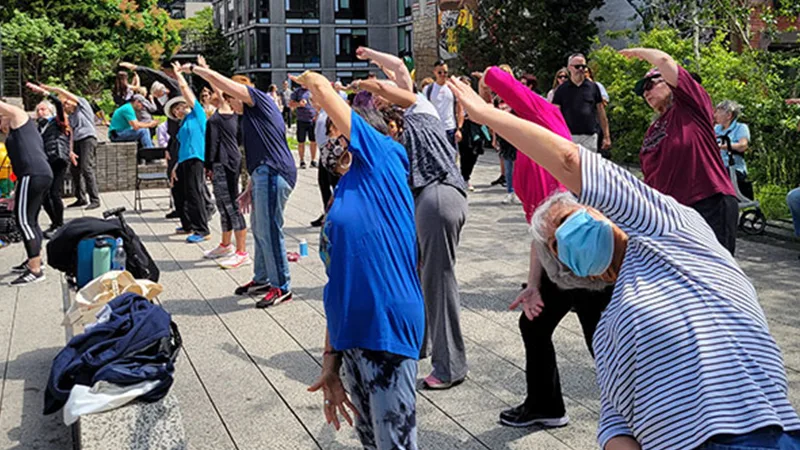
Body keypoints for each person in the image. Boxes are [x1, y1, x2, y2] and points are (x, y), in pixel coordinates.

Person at [446, 74, 800, 450]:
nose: (566, 239)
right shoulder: (609, 330)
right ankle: (543, 402)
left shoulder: (675, 236)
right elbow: (617, 426)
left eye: (569, 220)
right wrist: (534, 283)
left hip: (756, 434)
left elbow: (569, 159)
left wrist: (487, 110)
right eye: (556, 243)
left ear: (602, 209)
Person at [476, 66, 614, 429]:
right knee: (538, 326)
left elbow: (508, 87)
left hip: (584, 254)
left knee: (600, 338)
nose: (500, 116)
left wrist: (487, 79)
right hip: (559, 255)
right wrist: (533, 284)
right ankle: (546, 405)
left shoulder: (547, 123)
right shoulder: (522, 160)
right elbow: (537, 230)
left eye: (504, 111)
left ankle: (645, 412)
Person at [293, 70, 423, 450]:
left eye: (334, 132)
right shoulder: (344, 191)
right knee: (371, 442)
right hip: (351, 334)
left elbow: (319, 88)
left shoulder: (384, 159)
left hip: (386, 327)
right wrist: (330, 359)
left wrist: (311, 82)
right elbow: (339, 280)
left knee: (395, 445)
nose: (329, 141)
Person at [355, 46, 470, 390]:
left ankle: (450, 367)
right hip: (433, 197)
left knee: (438, 281)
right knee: (420, 274)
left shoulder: (420, 107)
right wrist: (371, 54)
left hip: (437, 195)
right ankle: (420, 345)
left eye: (379, 101)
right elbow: (397, 71)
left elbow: (394, 86)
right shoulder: (418, 113)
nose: (377, 102)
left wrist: (364, 85)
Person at [190, 59, 296, 308]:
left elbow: (224, 84)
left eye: (230, 98)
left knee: (270, 230)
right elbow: (262, 150)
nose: (229, 104)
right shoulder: (249, 116)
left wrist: (198, 70)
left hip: (274, 172)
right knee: (259, 229)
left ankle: (282, 286)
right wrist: (250, 186)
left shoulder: (258, 100)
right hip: (264, 173)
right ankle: (262, 278)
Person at [626, 47, 738, 255]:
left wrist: (637, 51)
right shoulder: (654, 128)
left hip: (708, 201)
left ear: (668, 82)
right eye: (643, 91)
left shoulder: (691, 105)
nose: (646, 92)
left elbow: (664, 60)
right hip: (672, 213)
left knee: (713, 277)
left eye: (650, 85)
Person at [121, 60, 216, 221]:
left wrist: (137, 68)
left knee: (193, 179)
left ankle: (205, 206)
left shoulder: (176, 87)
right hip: (175, 139)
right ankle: (181, 210)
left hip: (186, 141)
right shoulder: (167, 98)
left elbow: (159, 76)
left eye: (167, 73)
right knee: (174, 175)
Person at [0, 99, 53, 286]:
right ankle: (36, 260)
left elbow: (9, 110)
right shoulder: (19, 132)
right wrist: (15, 193)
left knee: (23, 221)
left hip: (33, 174)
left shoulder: (20, 118)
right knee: (31, 220)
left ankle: (35, 270)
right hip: (35, 174)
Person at [202, 63, 250, 269]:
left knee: (231, 204)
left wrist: (206, 70)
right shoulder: (226, 110)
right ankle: (225, 244)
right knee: (223, 204)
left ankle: (241, 251)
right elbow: (217, 89)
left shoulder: (229, 111)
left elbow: (219, 89)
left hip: (225, 161)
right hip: (222, 161)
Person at [166, 61, 210, 244]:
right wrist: (175, 167)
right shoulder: (182, 125)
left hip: (195, 159)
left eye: (179, 107)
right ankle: (187, 225)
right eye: (174, 110)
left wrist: (178, 74)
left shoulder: (197, 115)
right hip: (183, 161)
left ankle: (202, 229)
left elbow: (185, 90)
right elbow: (180, 149)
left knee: (194, 193)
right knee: (179, 192)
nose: (177, 111)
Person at [41, 84, 101, 210]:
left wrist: (52, 90)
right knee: (75, 169)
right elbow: (71, 134)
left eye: (66, 103)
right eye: (63, 105)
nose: (65, 107)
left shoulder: (83, 106)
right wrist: (71, 151)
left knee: (86, 168)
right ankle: (80, 197)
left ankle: (95, 199)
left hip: (88, 139)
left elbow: (65, 92)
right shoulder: (71, 116)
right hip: (78, 140)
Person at [27, 84, 71, 239]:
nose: (40, 112)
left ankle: (59, 224)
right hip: (45, 161)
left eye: (43, 109)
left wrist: (45, 93)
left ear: (50, 111)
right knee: (44, 196)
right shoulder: (38, 126)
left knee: (54, 193)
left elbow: (59, 104)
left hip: (57, 158)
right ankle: (55, 223)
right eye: (38, 110)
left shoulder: (57, 121)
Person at [552, 54, 611, 153]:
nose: (580, 69)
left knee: (588, 167)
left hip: (590, 136)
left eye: (583, 67)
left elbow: (601, 113)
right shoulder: (561, 90)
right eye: (577, 66)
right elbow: (555, 114)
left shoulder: (593, 87)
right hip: (568, 136)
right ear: (569, 68)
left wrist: (606, 136)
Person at [714, 100, 753, 199]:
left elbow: (743, 145)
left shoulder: (741, 127)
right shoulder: (716, 129)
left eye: (718, 112)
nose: (715, 115)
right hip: (718, 167)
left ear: (729, 115)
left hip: (733, 168)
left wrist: (722, 146)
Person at [423, 60, 464, 147]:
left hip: (450, 128)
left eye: (445, 72)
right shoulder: (428, 89)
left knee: (451, 157)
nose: (443, 75)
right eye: (439, 72)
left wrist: (459, 128)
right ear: (434, 72)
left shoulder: (452, 89)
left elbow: (459, 109)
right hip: (434, 128)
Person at [310, 96, 332, 227]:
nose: (312, 103)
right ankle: (327, 211)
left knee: (332, 183)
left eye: (314, 100)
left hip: (331, 151)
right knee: (323, 183)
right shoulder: (321, 113)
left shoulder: (329, 111)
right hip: (323, 151)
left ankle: (332, 213)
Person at [290, 82, 317, 169]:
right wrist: (299, 104)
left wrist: (317, 114)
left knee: (313, 141)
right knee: (301, 141)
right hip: (301, 120)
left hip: (312, 119)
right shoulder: (297, 92)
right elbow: (291, 104)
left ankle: (313, 160)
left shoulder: (313, 91)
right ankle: (302, 161)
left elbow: (318, 103)